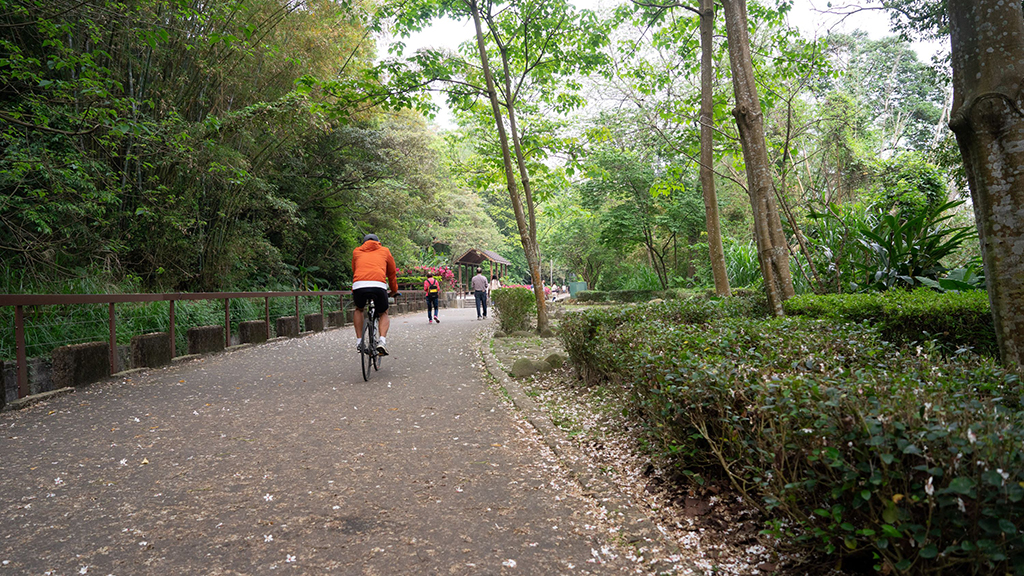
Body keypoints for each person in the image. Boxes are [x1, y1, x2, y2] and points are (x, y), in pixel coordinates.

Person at [352, 233, 398, 356]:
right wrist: (393, 290)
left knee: (359, 309)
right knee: (383, 312)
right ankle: (382, 341)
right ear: (378, 242)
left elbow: (355, 270)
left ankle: (359, 341)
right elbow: (392, 274)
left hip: (359, 286)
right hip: (378, 286)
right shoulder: (385, 251)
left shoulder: (357, 251)